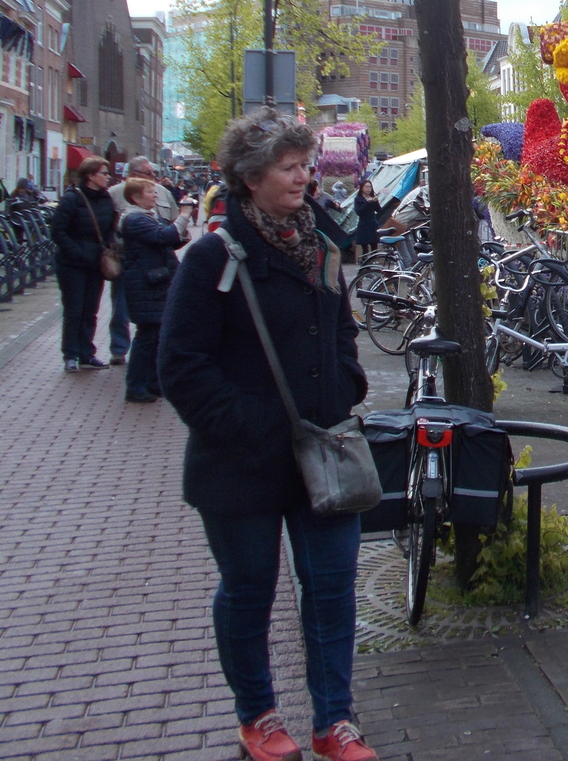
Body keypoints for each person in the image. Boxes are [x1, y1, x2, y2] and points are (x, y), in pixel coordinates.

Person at [158, 111, 377, 761]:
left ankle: (333, 720)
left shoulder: (322, 248)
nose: (304, 177)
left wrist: (348, 384)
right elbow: (181, 366)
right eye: (290, 167)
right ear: (251, 178)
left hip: (325, 452)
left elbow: (341, 330)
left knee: (333, 589)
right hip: (241, 464)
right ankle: (257, 714)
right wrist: (251, 424)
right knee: (250, 590)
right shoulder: (212, 258)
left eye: (306, 166)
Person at [119, 175, 189, 404]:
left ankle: (151, 383)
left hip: (154, 281)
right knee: (147, 336)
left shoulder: (147, 217)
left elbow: (166, 240)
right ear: (136, 197)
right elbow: (162, 236)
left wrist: (180, 234)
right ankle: (137, 385)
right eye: (150, 192)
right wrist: (184, 216)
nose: (155, 195)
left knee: (156, 335)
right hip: (146, 283)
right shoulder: (135, 220)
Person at [50, 156, 117, 373]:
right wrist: (77, 253)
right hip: (72, 264)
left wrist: (107, 246)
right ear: (90, 176)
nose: (107, 177)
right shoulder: (72, 199)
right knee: (74, 309)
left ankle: (87, 353)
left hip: (95, 262)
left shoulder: (106, 199)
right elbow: (58, 231)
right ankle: (70, 354)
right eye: (103, 173)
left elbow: (108, 228)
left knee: (91, 309)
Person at [352, 181, 381, 254]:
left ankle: (374, 260)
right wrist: (367, 203)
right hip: (363, 224)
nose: (369, 189)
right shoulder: (358, 199)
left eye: (370, 187)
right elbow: (359, 212)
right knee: (364, 247)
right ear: (362, 188)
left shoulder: (372, 197)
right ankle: (366, 262)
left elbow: (379, 210)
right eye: (366, 187)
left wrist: (375, 202)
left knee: (374, 245)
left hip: (372, 223)